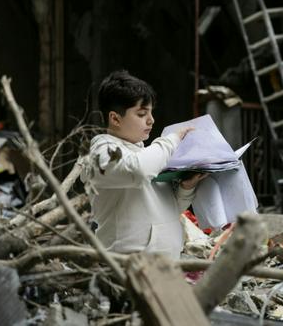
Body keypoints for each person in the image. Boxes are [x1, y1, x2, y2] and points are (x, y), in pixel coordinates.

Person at [82, 70, 207, 259]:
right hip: (126, 268)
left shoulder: (147, 156)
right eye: (142, 114)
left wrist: (186, 188)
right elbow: (138, 170)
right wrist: (171, 140)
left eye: (151, 112)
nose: (151, 120)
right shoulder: (101, 154)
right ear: (115, 118)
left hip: (167, 267)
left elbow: (169, 210)